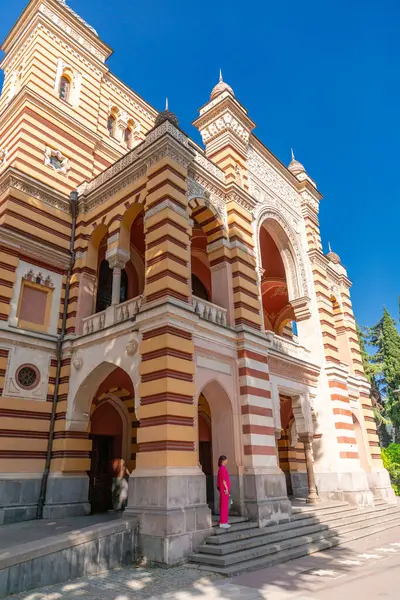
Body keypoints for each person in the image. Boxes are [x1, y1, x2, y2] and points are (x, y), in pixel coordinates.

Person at [217, 455, 231, 529]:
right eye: (226, 460)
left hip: (224, 489)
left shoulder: (222, 468)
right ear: (223, 461)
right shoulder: (222, 468)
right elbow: (223, 480)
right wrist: (226, 488)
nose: (227, 461)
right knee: (224, 506)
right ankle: (223, 522)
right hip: (224, 489)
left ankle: (224, 521)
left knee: (224, 505)